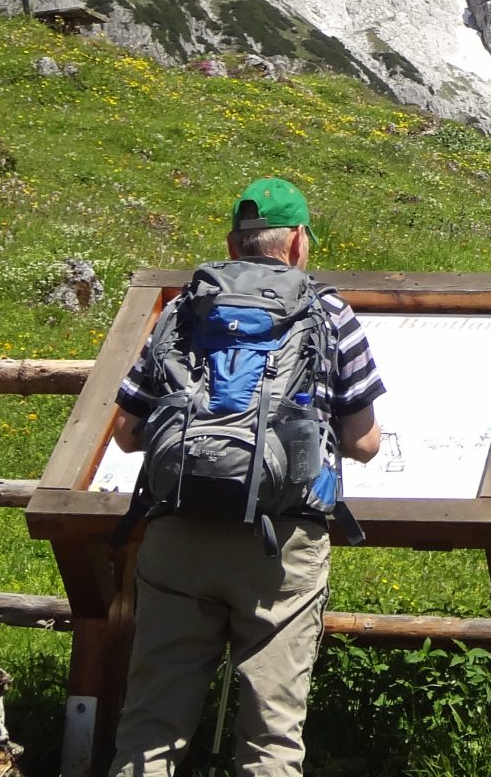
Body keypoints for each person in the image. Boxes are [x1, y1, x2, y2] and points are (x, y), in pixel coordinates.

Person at [106, 178, 384, 777]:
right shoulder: (329, 311)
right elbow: (363, 443)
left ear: (234, 245)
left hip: (177, 532)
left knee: (152, 724)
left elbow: (127, 432)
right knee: (271, 735)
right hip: (281, 545)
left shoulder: (184, 308)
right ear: (300, 244)